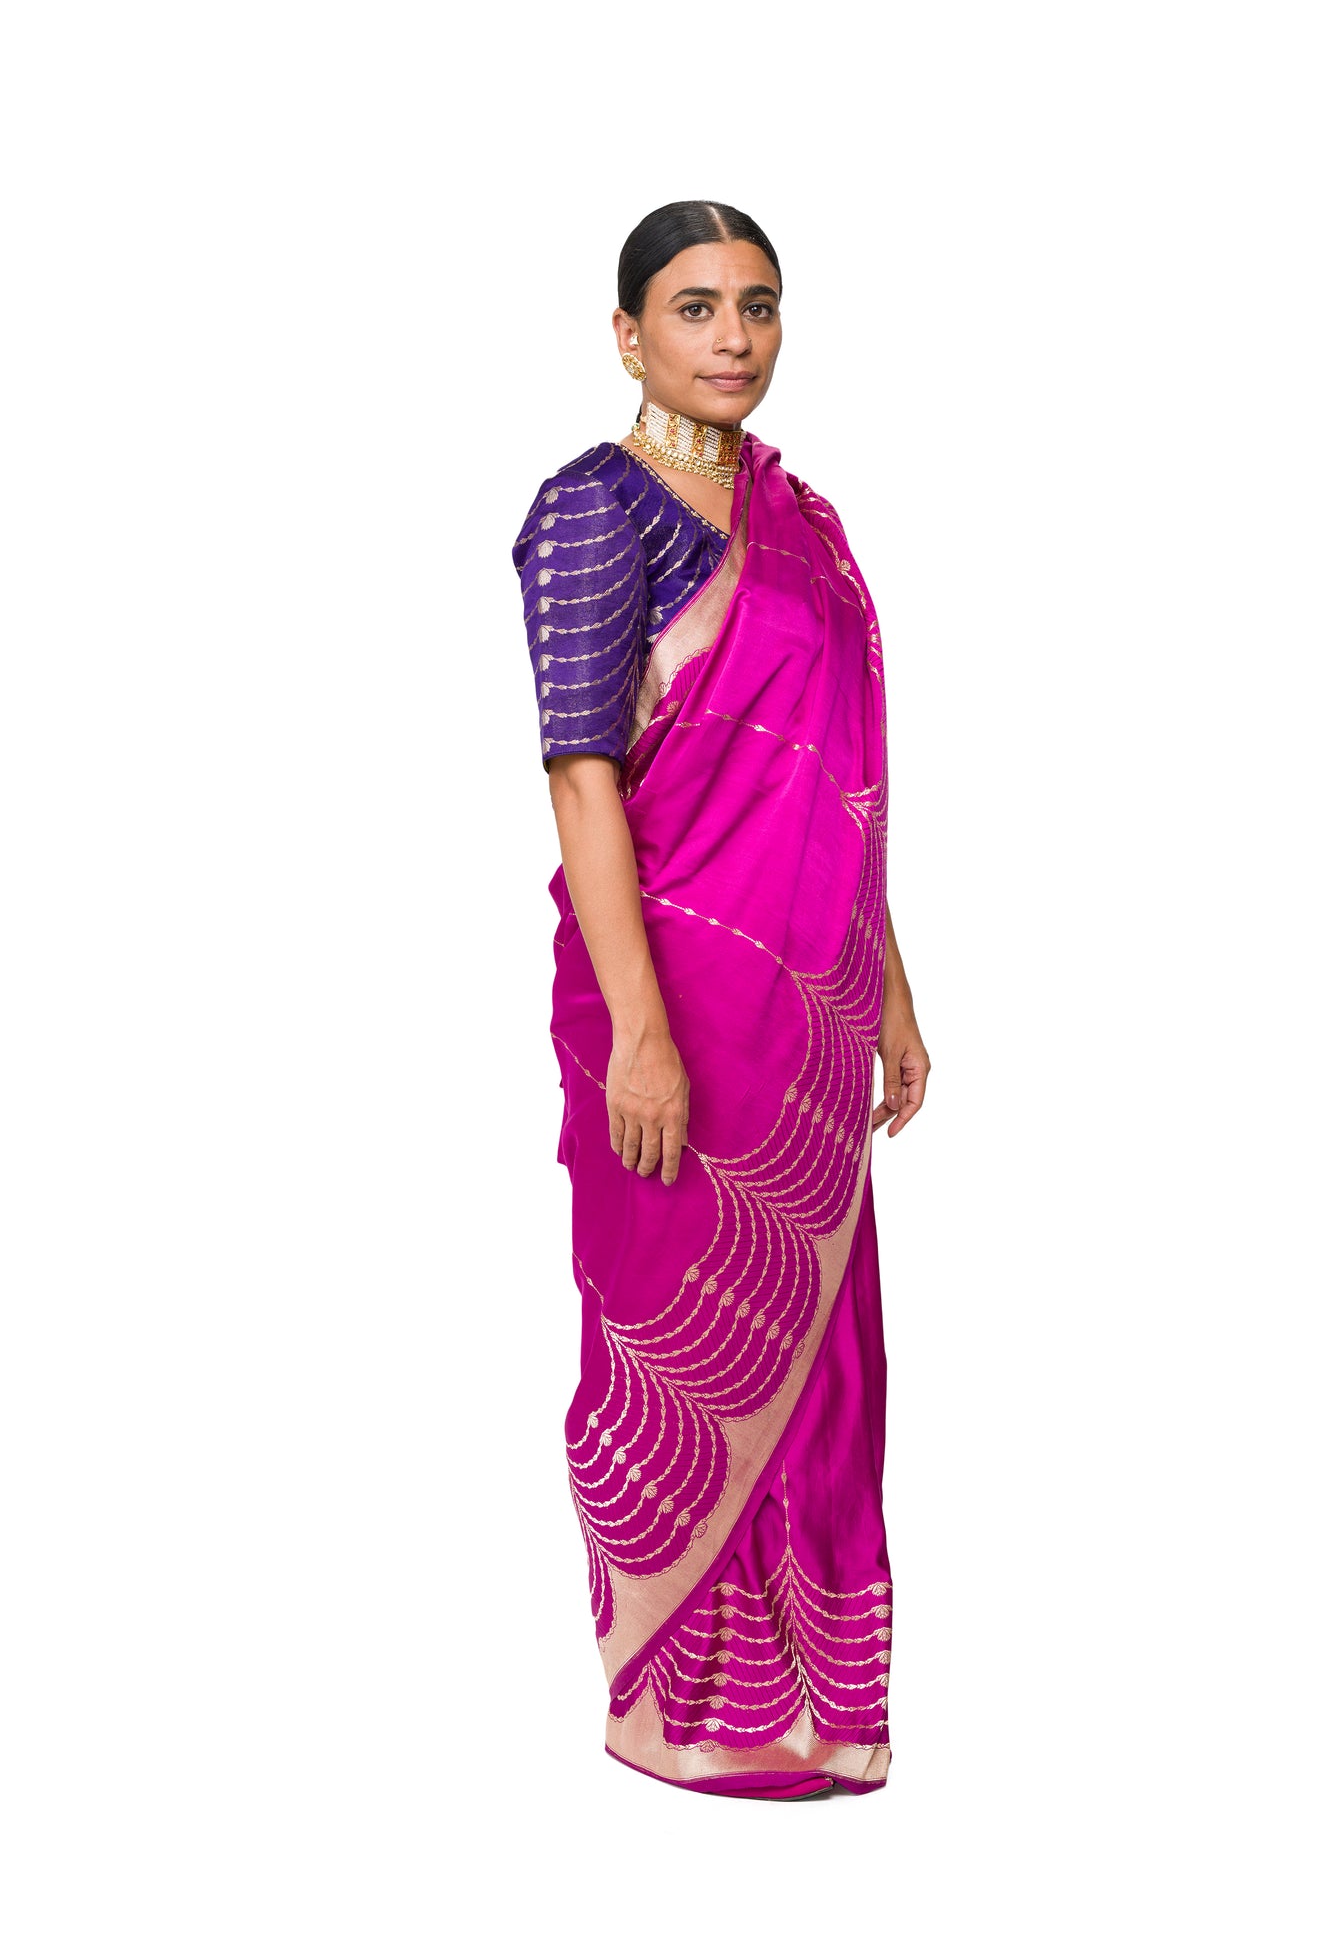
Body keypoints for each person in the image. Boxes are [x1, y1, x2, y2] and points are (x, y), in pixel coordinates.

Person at [512, 200, 930, 1798]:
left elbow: (839, 792)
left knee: (822, 1356)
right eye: (694, 308)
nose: (733, 337)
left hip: (804, 1008)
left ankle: (813, 1711)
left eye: (757, 304)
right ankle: (676, 1705)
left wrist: (891, 987)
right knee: (675, 1326)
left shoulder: (802, 521)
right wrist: (639, 1031)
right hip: (670, 990)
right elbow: (582, 775)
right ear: (627, 334)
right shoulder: (591, 510)